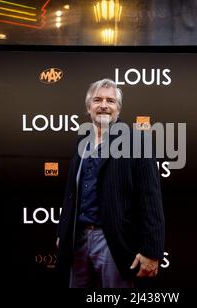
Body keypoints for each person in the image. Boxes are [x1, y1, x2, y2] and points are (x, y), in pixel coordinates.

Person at [56, 78, 165, 288]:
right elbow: (72, 191)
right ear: (89, 108)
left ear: (118, 109)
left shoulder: (137, 141)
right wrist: (63, 231)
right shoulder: (82, 140)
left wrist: (152, 251)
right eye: (97, 100)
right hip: (77, 239)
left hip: (113, 240)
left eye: (110, 101)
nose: (104, 105)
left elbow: (150, 199)